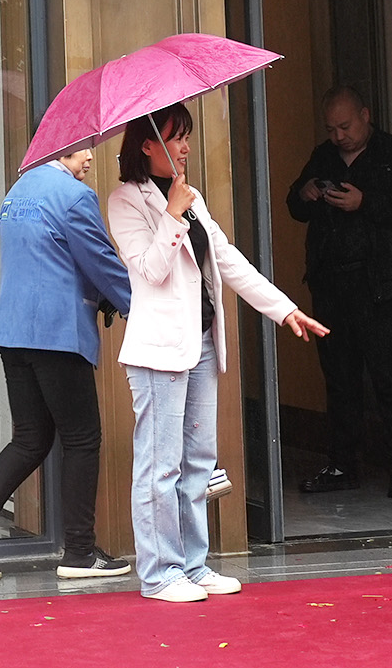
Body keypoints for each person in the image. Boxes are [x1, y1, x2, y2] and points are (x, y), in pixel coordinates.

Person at [109, 103, 328, 604]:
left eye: (187, 136)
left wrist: (284, 309)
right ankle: (159, 574)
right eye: (177, 138)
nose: (186, 147)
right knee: (160, 466)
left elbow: (227, 260)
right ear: (148, 145)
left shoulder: (192, 197)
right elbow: (150, 269)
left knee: (199, 462)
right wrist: (171, 214)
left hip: (203, 343)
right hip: (160, 352)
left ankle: (193, 565)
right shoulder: (126, 200)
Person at [0, 142, 135, 583]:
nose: (90, 156)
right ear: (60, 148)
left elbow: (51, 258)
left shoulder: (17, 193)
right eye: (82, 149)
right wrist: (140, 307)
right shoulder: (75, 196)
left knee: (30, 439)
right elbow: (100, 260)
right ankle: (80, 552)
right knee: (82, 439)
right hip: (57, 332)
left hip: (13, 331)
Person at [284, 86, 392, 498]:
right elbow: (294, 206)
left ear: (366, 115)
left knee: (388, 376)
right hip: (331, 284)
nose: (339, 136)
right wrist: (306, 193)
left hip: (379, 285)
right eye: (331, 129)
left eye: (345, 127)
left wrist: (365, 202)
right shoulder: (323, 155)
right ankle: (341, 465)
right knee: (339, 378)